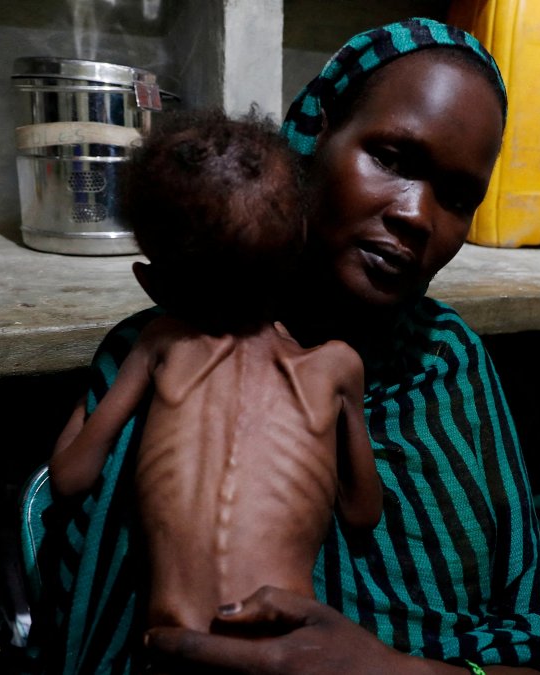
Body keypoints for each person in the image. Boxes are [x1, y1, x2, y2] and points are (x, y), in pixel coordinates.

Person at [22, 17, 540, 675]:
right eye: (391, 158)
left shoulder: (449, 360)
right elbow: (98, 634)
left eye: (458, 196)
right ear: (317, 133)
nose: (418, 216)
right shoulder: (164, 347)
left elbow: (524, 628)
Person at [45, 110, 383, 637]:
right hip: (285, 648)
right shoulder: (336, 367)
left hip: (174, 647)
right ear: (300, 256)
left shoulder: (160, 346)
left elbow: (69, 477)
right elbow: (362, 513)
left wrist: (86, 403)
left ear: (152, 287)